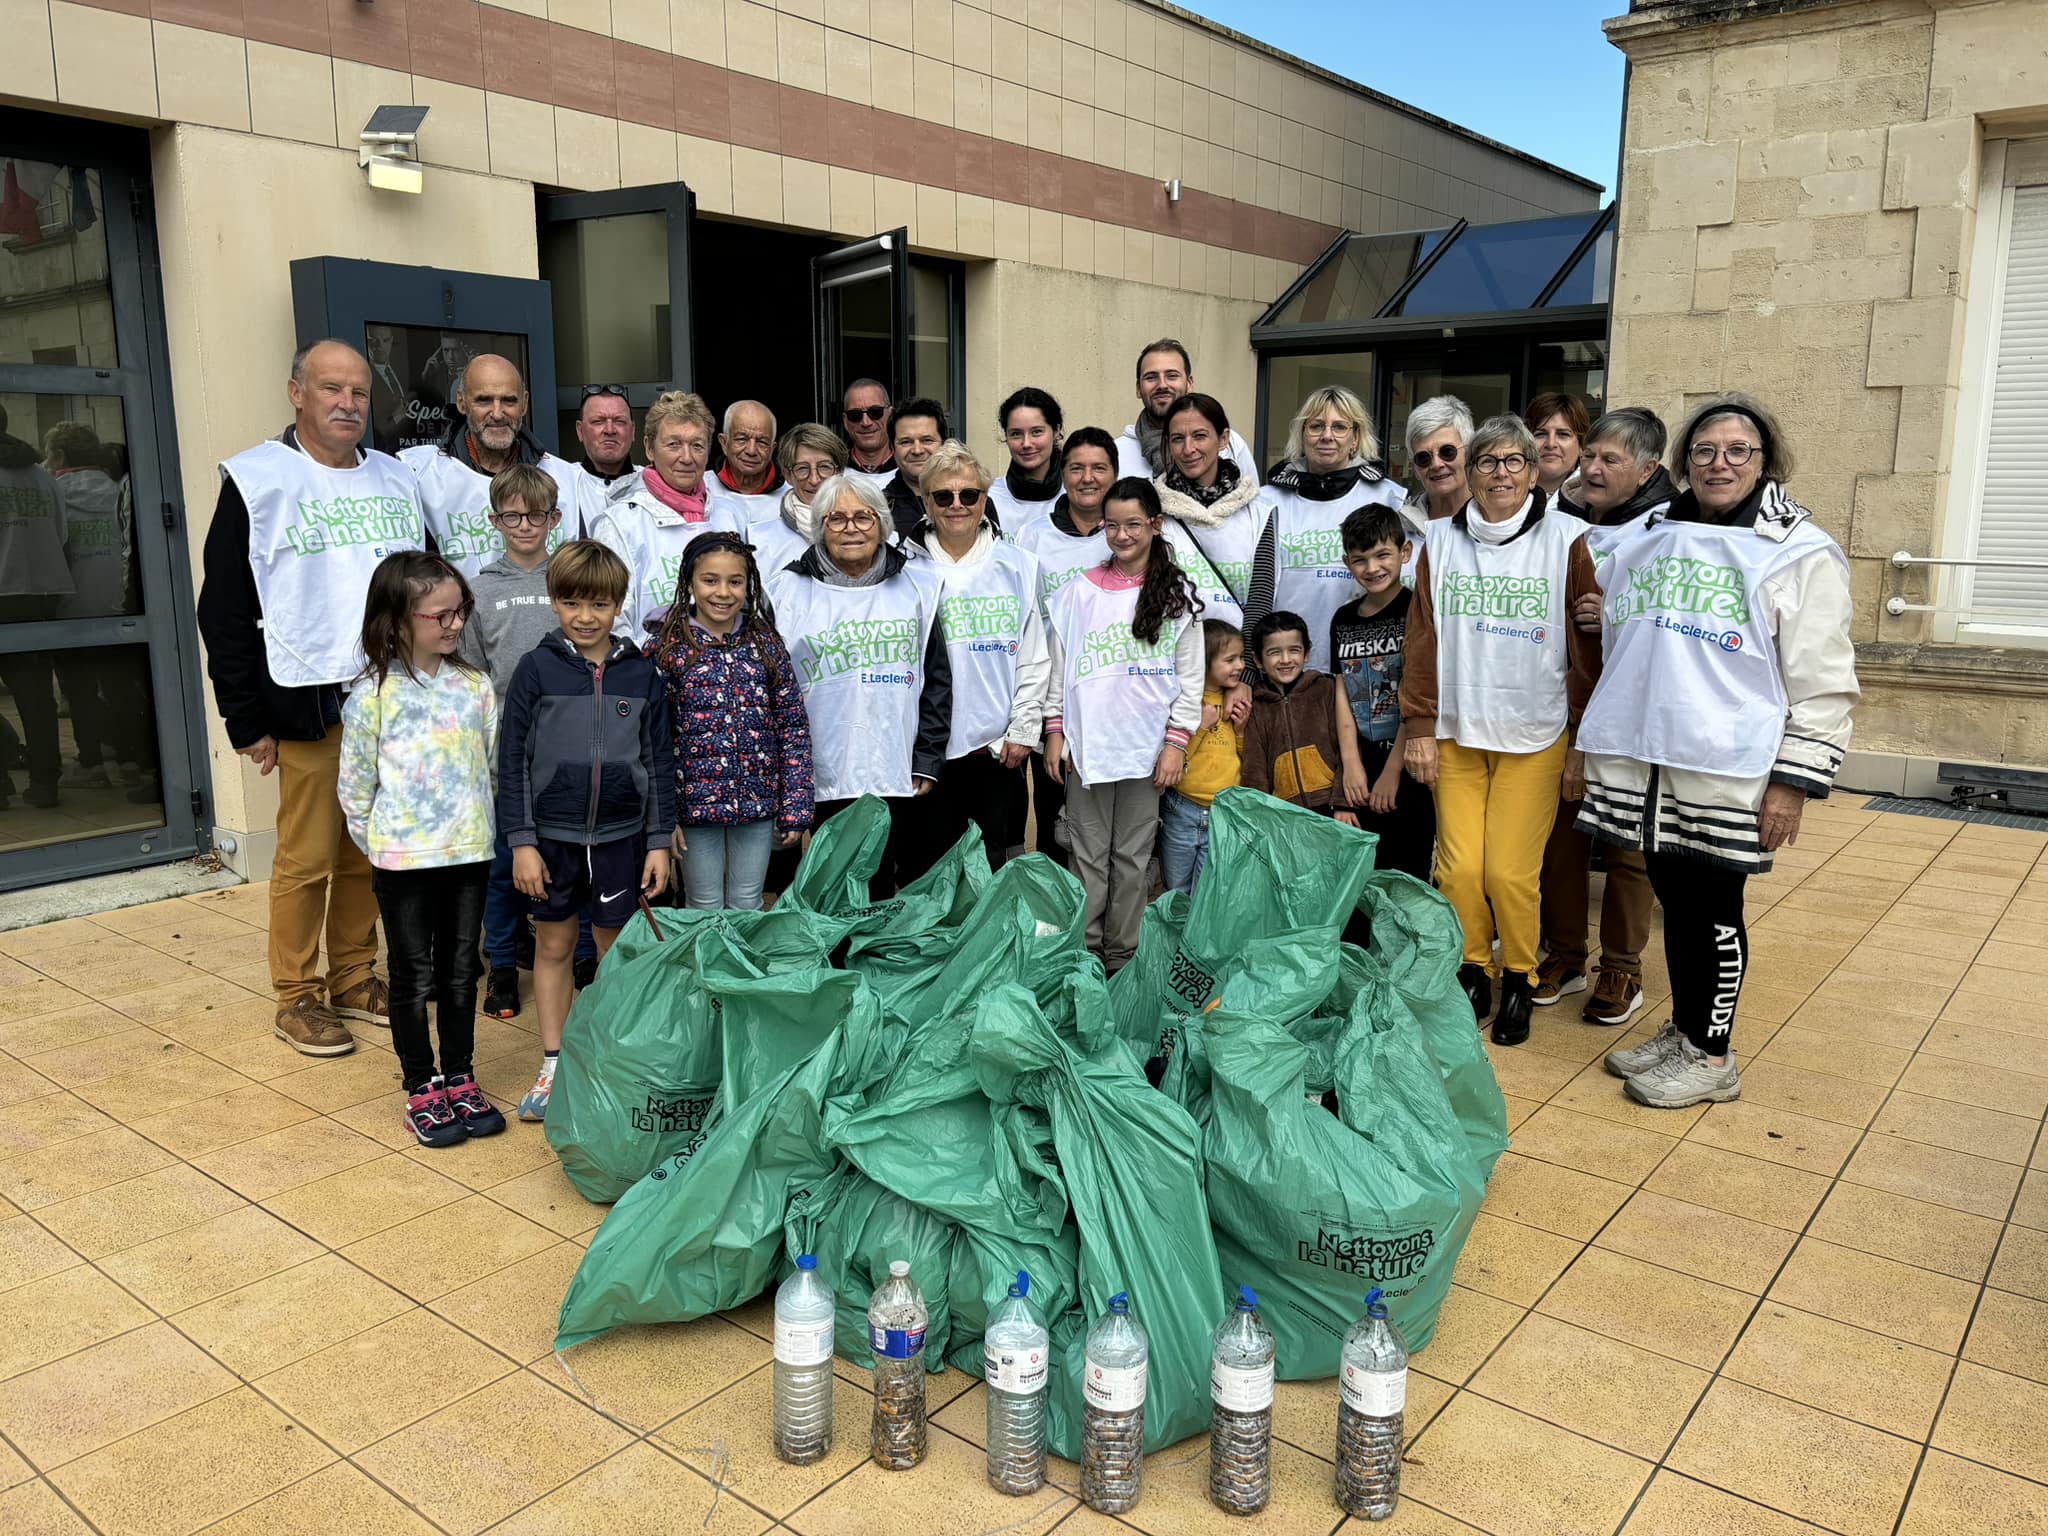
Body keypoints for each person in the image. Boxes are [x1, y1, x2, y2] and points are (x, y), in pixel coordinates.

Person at [1582, 394, 1857, 1108]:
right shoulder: (1645, 533)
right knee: (1678, 897)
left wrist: (1793, 781)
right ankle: (1686, 1028)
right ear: (1682, 464)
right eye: (1704, 450)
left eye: (1739, 451)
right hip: (1651, 758)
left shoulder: (1796, 550)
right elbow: (1619, 620)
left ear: (1767, 463)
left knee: (1714, 906)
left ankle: (1712, 1057)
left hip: (1729, 765)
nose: (1720, 463)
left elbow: (1823, 680)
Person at [197, 340, 422, 1055]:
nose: (349, 403)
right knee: (306, 855)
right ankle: (296, 994)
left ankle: (355, 974)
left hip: (387, 696)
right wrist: (245, 718)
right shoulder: (258, 480)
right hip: (307, 698)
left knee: (365, 848)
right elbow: (225, 609)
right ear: (296, 392)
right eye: (331, 389)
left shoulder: (394, 478)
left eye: (359, 391)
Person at [1400, 414, 1601, 1049]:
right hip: (1457, 731)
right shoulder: (1439, 541)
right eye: (1488, 462)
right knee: (1459, 871)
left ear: (1537, 469)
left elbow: (1585, 648)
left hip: (1536, 733)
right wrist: (1419, 728)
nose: (1502, 474)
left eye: (1515, 461)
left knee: (1510, 874)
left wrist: (1582, 740)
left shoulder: (1570, 538)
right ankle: (1473, 968)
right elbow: (1422, 640)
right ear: (1471, 471)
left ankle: (1519, 973)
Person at [497, 540, 675, 1121]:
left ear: (619, 604)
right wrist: (522, 843)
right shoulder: (536, 669)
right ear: (554, 602)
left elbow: (658, 761)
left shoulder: (641, 672)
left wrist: (657, 843)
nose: (585, 616)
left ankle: (612, 1063)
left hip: (623, 838)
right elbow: (514, 758)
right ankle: (555, 1067)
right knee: (552, 947)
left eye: (598, 604)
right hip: (551, 840)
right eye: (571, 602)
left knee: (615, 952)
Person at [337, 551, 505, 1147]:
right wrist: (388, 843)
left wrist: (475, 829)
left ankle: (460, 1074)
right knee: (413, 975)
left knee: (462, 972)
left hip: (468, 855)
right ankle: (421, 1085)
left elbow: (489, 768)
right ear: (399, 619)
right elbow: (356, 793)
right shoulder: (371, 697)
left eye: (460, 612)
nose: (455, 625)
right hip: (403, 861)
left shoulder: (474, 687)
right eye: (441, 616)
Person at [1535, 407, 1676, 1024]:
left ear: (1647, 470)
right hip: (1562, 706)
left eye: (1608, 460)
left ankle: (1622, 966)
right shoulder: (1560, 520)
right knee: (1560, 839)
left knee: (1625, 844)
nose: (1589, 468)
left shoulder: (1671, 529)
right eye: (1589, 455)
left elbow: (1675, 619)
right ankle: (1564, 952)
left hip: (1632, 712)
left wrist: (1611, 610)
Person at [1042, 477, 1204, 973]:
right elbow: (1058, 666)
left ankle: (1123, 959)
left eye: (1134, 524)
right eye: (1112, 525)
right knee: (1087, 856)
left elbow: (1190, 678)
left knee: (1133, 860)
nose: (1122, 535)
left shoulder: (1177, 596)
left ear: (1155, 525)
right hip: (1088, 750)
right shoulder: (1078, 593)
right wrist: (1054, 731)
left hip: (1145, 751)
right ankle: (1085, 957)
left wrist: (1176, 743)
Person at [764, 473, 950, 898]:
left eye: (863, 517)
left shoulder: (917, 588)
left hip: (896, 767)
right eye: (837, 518)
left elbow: (937, 680)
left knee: (883, 886)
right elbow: (769, 688)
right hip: (817, 769)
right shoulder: (785, 591)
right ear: (820, 527)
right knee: (824, 887)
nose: (851, 528)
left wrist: (927, 757)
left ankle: (875, 963)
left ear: (882, 523)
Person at [457, 464, 596, 1021]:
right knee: (504, 864)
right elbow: (470, 672)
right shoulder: (479, 588)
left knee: (573, 855)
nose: (523, 525)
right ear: (494, 520)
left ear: (553, 519)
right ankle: (503, 970)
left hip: (569, 748)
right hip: (505, 753)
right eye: (511, 516)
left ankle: (584, 953)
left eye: (535, 516)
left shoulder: (567, 582)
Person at [649, 531, 814, 910]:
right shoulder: (667, 648)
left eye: (735, 581)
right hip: (693, 805)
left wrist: (795, 804)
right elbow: (654, 737)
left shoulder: (766, 643)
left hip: (757, 801)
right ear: (689, 582)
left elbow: (791, 725)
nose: (723, 592)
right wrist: (663, 818)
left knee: (747, 901)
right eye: (710, 580)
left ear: (748, 585)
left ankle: (743, 970)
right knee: (703, 902)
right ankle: (706, 970)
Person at [904, 440, 1048, 872]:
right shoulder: (905, 569)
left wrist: (1025, 725)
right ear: (925, 501)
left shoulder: (1019, 565)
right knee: (928, 867)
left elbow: (1034, 654)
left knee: (991, 866)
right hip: (926, 751)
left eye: (969, 494)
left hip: (995, 749)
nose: (957, 505)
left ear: (985, 498)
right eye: (943, 496)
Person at [1008, 426, 1118, 870]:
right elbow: (1020, 619)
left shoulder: (1127, 535)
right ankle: (1059, 916)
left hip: (1111, 699)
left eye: (1099, 468)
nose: (1087, 477)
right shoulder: (1032, 538)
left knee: (1111, 823)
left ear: (1115, 473)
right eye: (1076, 467)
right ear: (1062, 471)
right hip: (1050, 700)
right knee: (1056, 818)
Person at [1242, 385, 1406, 674]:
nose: (1327, 436)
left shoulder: (1388, 497)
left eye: (1339, 427)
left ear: (1356, 438)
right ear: (1303, 435)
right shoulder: (1267, 501)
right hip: (1286, 667)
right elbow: (1257, 591)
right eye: (1316, 426)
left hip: (1365, 665)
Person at [401, 354, 597, 579]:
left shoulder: (565, 477)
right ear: (462, 403)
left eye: (509, 401)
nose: (497, 413)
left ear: (524, 404)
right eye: (484, 400)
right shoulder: (420, 473)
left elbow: (582, 572)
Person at [45, 422, 154, 801]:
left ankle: (90, 762)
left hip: (71, 608)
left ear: (58, 456)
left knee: (79, 692)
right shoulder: (117, 490)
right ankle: (128, 760)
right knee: (119, 688)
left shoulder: (52, 494)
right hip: (117, 608)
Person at [1331, 504, 1434, 884]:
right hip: (1361, 761)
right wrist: (1350, 763)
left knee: (1408, 872)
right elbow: (1341, 686)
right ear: (1347, 562)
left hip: (1408, 764)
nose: (1372, 568)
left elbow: (1417, 690)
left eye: (1382, 555)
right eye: (1360, 560)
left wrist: (1394, 771)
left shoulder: (1416, 612)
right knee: (1362, 874)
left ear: (1405, 552)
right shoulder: (1342, 619)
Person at [589, 390, 746, 639]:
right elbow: (610, 621)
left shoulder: (730, 516)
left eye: (697, 445)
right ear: (649, 448)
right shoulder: (619, 524)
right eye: (674, 444)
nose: (686, 458)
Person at [0, 402, 72, 811]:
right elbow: (60, 533)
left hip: (2, 591)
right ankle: (46, 783)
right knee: (37, 699)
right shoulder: (41, 477)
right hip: (41, 594)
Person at [1153, 393, 1263, 631]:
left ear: (1223, 439)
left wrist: (1244, 664)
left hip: (1240, 661)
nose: (1188, 449)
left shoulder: (1259, 512)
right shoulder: (1153, 511)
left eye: (1200, 436)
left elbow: (1262, 599)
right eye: (1177, 439)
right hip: (1176, 661)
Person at [1239, 610, 1357, 820]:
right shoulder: (1256, 703)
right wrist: (1261, 817)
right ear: (1257, 659)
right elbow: (1254, 767)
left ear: (1307, 653)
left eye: (1294, 650)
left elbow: (1345, 747)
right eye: (1274, 652)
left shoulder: (1326, 690)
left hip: (1332, 809)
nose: (1285, 659)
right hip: (1284, 815)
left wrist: (1344, 803)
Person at [1159, 619, 1244, 895]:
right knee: (1176, 890)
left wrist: (1241, 732)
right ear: (1203, 662)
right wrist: (1201, 727)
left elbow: (1242, 759)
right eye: (1230, 659)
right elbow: (1176, 762)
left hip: (1222, 812)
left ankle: (1195, 940)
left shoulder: (1237, 702)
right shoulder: (1185, 702)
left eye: (1241, 658)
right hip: (1181, 809)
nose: (1240, 666)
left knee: (1206, 893)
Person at [1116, 338, 1257, 482]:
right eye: (1151, 377)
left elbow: (1252, 501)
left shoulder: (1230, 443)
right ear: (1138, 389)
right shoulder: (1116, 454)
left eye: (1172, 376)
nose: (1162, 385)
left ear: (1189, 383)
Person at [747, 423, 849, 578]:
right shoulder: (760, 540)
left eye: (824, 467)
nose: (814, 480)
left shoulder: (869, 532)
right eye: (802, 468)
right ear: (788, 475)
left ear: (840, 471)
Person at [986, 387, 1065, 529]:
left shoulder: (1077, 497)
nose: (1026, 443)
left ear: (1057, 431)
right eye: (1016, 434)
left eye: (1036, 432)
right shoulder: (989, 497)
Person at [1403, 395, 1474, 529]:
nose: (1436, 464)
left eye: (1447, 452)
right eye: (1423, 458)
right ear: (1415, 469)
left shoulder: (1496, 520)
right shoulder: (1398, 527)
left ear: (1469, 453)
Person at [882, 397, 948, 538]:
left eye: (927, 440)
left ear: (944, 444)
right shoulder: (879, 508)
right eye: (906, 442)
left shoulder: (971, 500)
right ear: (892, 448)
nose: (917, 450)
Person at [713, 399, 784, 522]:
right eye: (742, 439)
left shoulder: (792, 496)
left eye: (762, 442)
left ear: (772, 449)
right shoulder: (701, 490)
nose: (751, 451)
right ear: (724, 443)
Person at [1525, 391, 1591, 503]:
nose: (1551, 444)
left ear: (1581, 447)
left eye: (1563, 434)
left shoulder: (1595, 502)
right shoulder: (1503, 492)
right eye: (1540, 434)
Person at [572, 385, 638, 490]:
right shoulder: (563, 484)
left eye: (619, 421)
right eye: (598, 421)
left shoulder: (652, 485)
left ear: (633, 430)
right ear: (580, 431)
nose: (609, 430)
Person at [841, 378, 897, 485]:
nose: (866, 423)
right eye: (855, 415)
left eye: (875, 412)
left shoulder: (911, 470)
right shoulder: (832, 472)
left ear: (890, 415)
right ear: (845, 421)